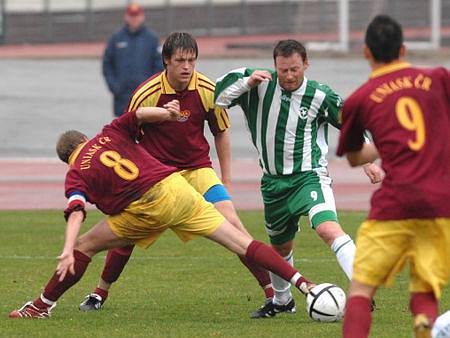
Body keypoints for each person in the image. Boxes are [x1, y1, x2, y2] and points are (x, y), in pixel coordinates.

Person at [8, 104, 316, 319]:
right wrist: (168, 113)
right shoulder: (109, 131)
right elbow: (141, 115)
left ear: (66, 158)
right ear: (85, 139)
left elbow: (76, 210)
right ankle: (306, 285)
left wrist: (65, 249)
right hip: (176, 187)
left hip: (146, 207)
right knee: (241, 241)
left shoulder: (76, 171)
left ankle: (41, 305)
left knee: (83, 246)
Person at [79, 32, 275, 316]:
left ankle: (272, 294)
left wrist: (226, 180)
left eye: (192, 60)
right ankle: (100, 292)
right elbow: (126, 138)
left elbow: (221, 133)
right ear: (166, 62)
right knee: (126, 232)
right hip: (155, 177)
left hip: (198, 170)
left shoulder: (208, 89)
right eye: (180, 60)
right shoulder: (146, 94)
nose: (187, 66)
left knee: (233, 223)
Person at [214, 39, 383, 318]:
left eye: (295, 69)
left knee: (327, 228)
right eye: (283, 70)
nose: (290, 76)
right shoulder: (258, 83)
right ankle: (282, 302)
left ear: (306, 64)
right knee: (280, 247)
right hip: (272, 183)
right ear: (275, 67)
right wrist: (247, 84)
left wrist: (367, 160)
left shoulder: (319, 95)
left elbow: (351, 123)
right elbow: (218, 98)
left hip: (309, 177)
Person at [337, 15, 450, 338]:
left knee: (361, 289)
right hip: (440, 205)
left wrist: (385, 145)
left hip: (395, 204)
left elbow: (354, 156)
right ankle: (424, 325)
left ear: (365, 53)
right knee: (426, 285)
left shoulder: (360, 98)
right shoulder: (440, 78)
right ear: (403, 48)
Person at [103, 3, 163, 117]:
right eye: (131, 16)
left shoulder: (152, 39)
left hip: (146, 97)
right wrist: (115, 87)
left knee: (147, 131)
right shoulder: (116, 38)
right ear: (126, 17)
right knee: (122, 132)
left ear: (142, 16)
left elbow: (159, 65)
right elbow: (107, 64)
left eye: (137, 16)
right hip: (122, 98)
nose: (134, 19)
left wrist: (151, 88)